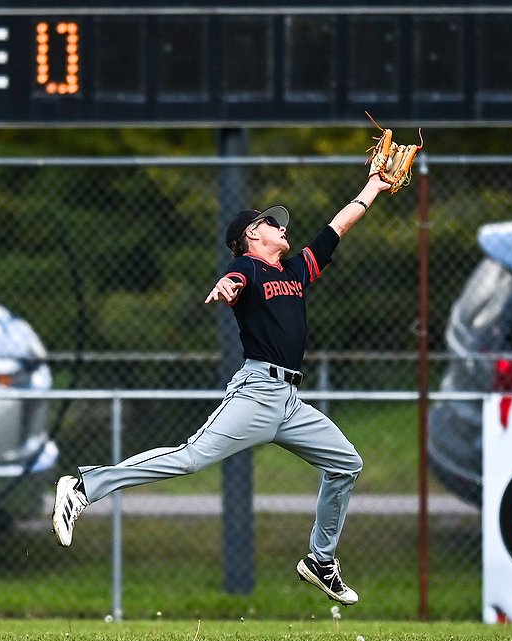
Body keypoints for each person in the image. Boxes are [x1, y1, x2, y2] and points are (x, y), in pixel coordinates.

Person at [52, 172, 393, 606]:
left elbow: (337, 228)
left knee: (346, 464)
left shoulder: (294, 271)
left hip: (289, 403)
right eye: (272, 222)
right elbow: (234, 282)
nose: (281, 227)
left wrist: (373, 187)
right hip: (256, 392)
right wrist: (226, 287)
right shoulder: (247, 267)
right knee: (190, 458)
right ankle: (83, 488)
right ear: (252, 235)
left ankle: (320, 561)